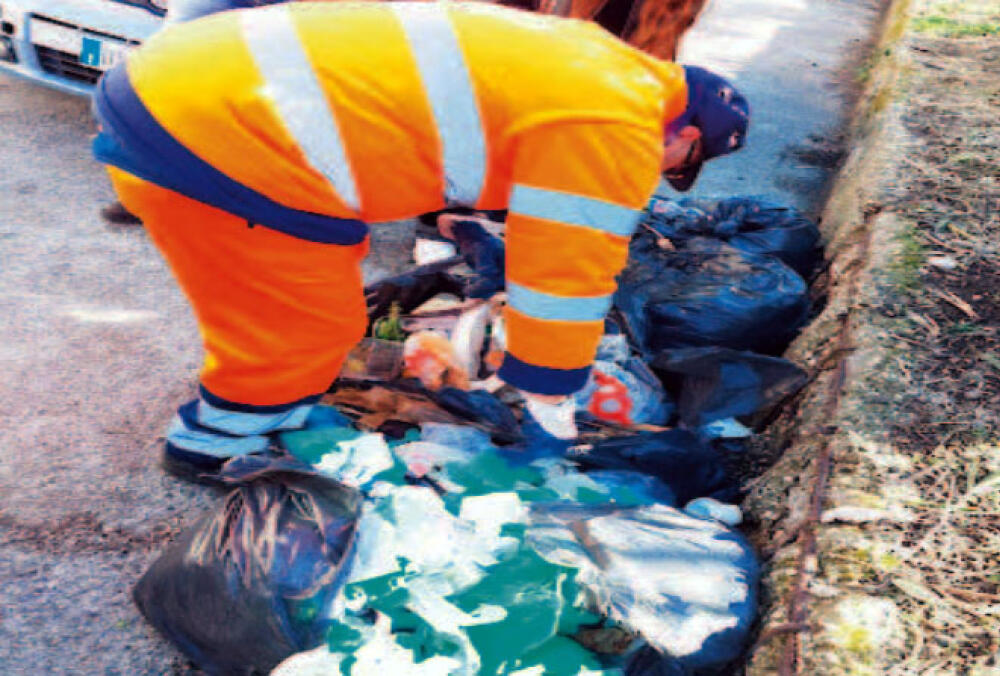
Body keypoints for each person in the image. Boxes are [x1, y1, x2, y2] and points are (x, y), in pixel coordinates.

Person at [91, 1, 748, 482]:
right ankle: (210, 447)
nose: (661, 175)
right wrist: (550, 394)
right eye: (677, 168)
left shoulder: (595, 63)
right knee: (302, 327)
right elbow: (568, 274)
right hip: (221, 133)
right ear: (687, 137)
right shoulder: (625, 124)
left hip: (192, 78)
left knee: (317, 301)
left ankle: (270, 410)